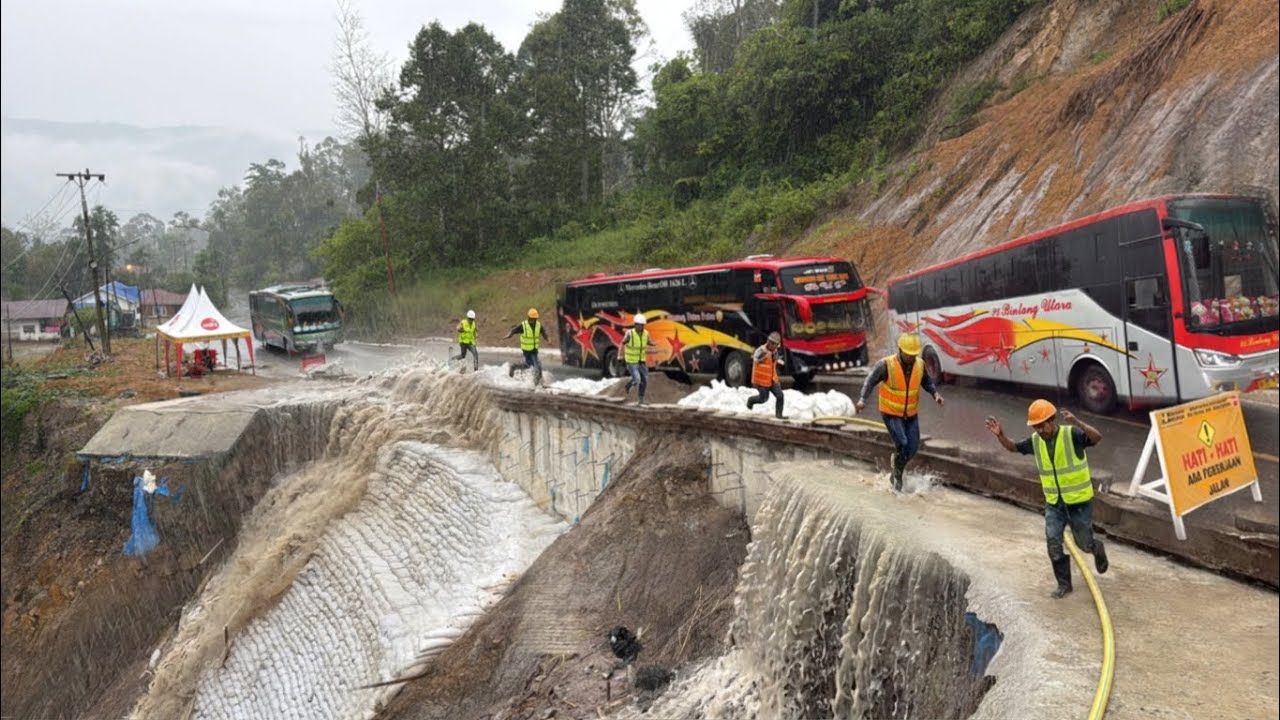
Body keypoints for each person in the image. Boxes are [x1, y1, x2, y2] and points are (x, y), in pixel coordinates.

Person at [985, 400, 1109, 599]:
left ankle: (1095, 547)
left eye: (1042, 425)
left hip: (1078, 502)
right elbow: (1013, 448)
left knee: (1083, 543)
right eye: (1036, 426)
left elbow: (1097, 437)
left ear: (1052, 421)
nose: (1040, 430)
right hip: (1054, 504)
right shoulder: (1036, 441)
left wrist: (1077, 422)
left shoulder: (1072, 435)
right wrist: (1000, 435)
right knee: (1053, 542)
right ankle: (1064, 585)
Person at [854, 333, 944, 491]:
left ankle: (896, 466)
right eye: (908, 354)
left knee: (913, 446)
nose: (911, 357)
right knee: (902, 443)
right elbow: (870, 381)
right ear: (900, 350)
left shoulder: (920, 365)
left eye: (913, 354)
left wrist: (935, 394)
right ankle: (897, 476)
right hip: (891, 413)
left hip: (910, 414)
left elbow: (927, 381)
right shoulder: (886, 365)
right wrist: (862, 399)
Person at [504, 308, 550, 386]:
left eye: (534, 319)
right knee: (536, 365)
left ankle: (514, 367)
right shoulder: (524, 325)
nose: (533, 320)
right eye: (532, 319)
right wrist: (509, 335)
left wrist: (548, 340)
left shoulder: (538, 325)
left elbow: (544, 332)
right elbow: (514, 330)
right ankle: (537, 384)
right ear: (528, 318)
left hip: (534, 349)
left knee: (531, 364)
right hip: (527, 349)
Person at [745, 332, 786, 419]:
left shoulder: (775, 352)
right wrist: (762, 356)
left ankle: (779, 415)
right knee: (763, 399)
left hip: (772, 379)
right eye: (770, 342)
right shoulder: (762, 351)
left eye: (774, 344)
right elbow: (755, 360)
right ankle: (750, 401)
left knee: (780, 396)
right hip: (761, 381)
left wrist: (779, 360)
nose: (771, 345)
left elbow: (773, 363)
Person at [620, 313, 653, 405]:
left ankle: (641, 400)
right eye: (640, 325)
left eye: (643, 325)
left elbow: (649, 342)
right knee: (637, 380)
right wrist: (620, 356)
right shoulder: (629, 334)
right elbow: (622, 344)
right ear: (635, 324)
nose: (642, 327)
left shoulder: (646, 333)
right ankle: (628, 385)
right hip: (631, 361)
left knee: (644, 380)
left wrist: (654, 344)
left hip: (641, 361)